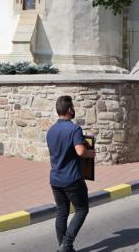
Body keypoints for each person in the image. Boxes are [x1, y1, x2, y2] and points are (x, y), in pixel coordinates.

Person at [47, 96, 96, 252]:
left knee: (62, 212)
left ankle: (64, 247)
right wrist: (90, 154)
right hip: (72, 179)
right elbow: (80, 151)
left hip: (55, 179)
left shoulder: (51, 130)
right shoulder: (74, 129)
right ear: (69, 110)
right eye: (73, 107)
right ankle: (67, 244)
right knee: (82, 210)